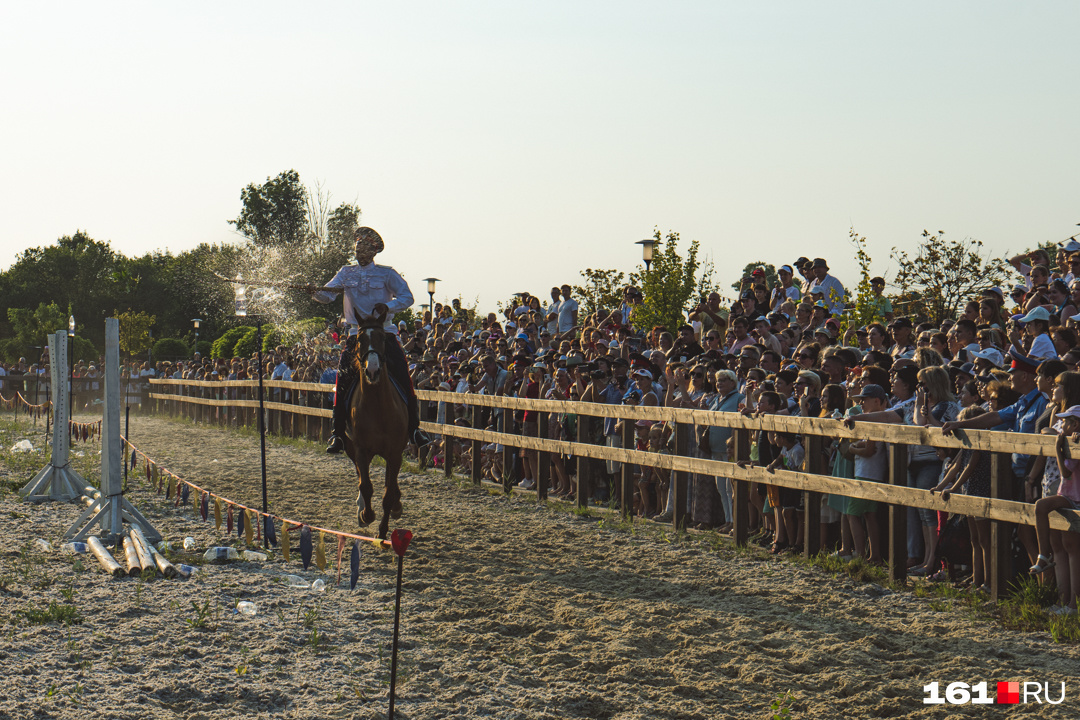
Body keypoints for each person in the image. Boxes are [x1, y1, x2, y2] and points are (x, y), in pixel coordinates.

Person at [307, 227, 418, 453]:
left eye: (364, 247)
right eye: (357, 247)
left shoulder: (388, 274)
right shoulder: (346, 272)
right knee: (343, 379)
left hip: (384, 332)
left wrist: (388, 306)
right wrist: (314, 292)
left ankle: (415, 428)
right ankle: (337, 433)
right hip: (356, 334)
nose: (359, 251)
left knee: (403, 375)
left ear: (374, 250)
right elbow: (327, 295)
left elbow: (408, 297)